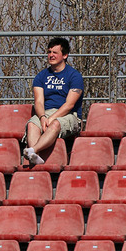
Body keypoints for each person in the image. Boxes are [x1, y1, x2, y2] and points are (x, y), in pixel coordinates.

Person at [23, 36, 84, 164]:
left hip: (69, 115)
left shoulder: (74, 76)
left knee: (56, 123)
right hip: (46, 112)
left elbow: (69, 104)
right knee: (32, 124)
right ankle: (35, 159)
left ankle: (32, 150)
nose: (51, 55)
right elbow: (38, 102)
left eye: (55, 52)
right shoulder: (41, 76)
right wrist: (42, 117)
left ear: (65, 55)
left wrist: (51, 119)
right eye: (49, 52)